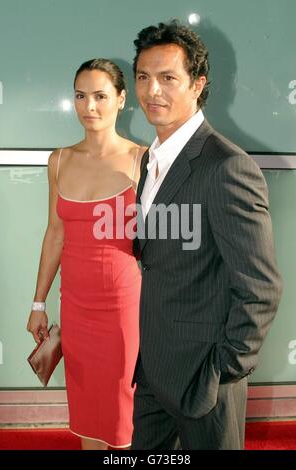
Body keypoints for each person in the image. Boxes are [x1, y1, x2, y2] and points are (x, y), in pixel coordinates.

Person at [131, 20, 282, 450]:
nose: (152, 91)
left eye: (167, 78)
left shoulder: (227, 167)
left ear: (197, 84)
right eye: (143, 77)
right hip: (153, 372)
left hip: (204, 382)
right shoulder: (151, 161)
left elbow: (261, 289)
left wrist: (222, 369)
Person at [27, 58, 146, 450]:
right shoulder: (58, 160)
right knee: (87, 414)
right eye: (81, 96)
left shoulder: (142, 161)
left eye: (99, 96)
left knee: (122, 418)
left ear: (121, 100)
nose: (88, 107)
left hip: (125, 309)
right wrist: (39, 303)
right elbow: (55, 234)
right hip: (75, 310)